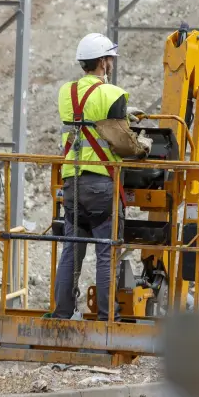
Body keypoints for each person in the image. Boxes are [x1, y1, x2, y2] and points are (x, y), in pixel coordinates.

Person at [49, 33, 151, 321]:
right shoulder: (112, 94)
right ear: (104, 62)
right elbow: (122, 142)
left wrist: (120, 115)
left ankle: (62, 314)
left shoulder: (66, 92)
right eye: (110, 60)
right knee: (106, 252)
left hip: (71, 182)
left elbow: (86, 120)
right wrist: (142, 147)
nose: (111, 64)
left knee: (72, 249)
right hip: (101, 184)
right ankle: (108, 318)